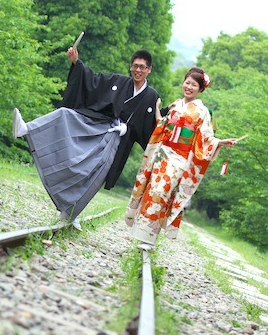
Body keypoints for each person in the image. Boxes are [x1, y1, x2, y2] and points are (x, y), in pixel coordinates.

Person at [13, 47, 161, 229]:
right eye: (135, 66)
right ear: (131, 67)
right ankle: (27, 128)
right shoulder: (119, 81)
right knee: (65, 114)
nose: (138, 70)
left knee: (95, 176)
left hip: (117, 142)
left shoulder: (151, 96)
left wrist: (132, 126)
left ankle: (70, 213)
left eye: (142, 67)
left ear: (149, 70)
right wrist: (77, 62)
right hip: (98, 127)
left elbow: (153, 125)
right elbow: (93, 81)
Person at [125, 67, 240, 249]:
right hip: (162, 153)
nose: (189, 87)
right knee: (153, 190)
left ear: (200, 89)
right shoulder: (176, 105)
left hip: (180, 157)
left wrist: (220, 142)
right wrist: (157, 109)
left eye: (194, 85)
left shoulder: (202, 112)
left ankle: (150, 238)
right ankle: (142, 235)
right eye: (187, 82)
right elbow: (162, 125)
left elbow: (205, 138)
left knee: (163, 191)